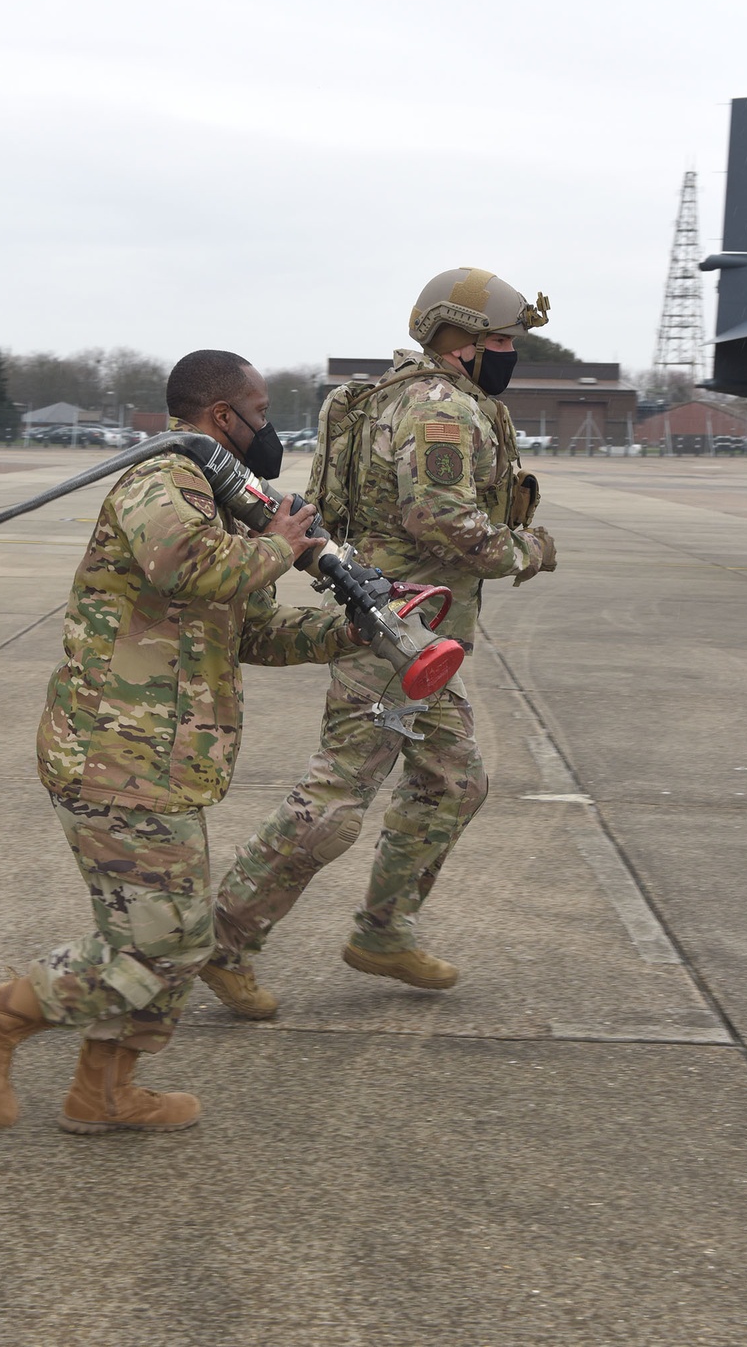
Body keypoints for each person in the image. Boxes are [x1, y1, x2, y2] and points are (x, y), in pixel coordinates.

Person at [0, 350, 361, 1134]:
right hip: (113, 752)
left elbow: (256, 631)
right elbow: (187, 568)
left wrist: (360, 629)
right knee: (163, 944)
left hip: (161, 760)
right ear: (220, 416)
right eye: (261, 412)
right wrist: (279, 542)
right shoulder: (160, 482)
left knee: (170, 936)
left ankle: (102, 1093)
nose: (269, 430)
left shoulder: (219, 503)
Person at [201, 268, 557, 1019]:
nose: (508, 352)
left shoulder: (384, 396)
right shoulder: (442, 409)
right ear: (458, 340)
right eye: (499, 339)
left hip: (420, 637)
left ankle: (384, 930)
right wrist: (528, 550)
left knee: (454, 781)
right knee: (334, 801)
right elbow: (440, 519)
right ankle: (222, 943)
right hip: (396, 634)